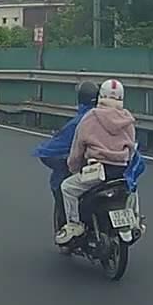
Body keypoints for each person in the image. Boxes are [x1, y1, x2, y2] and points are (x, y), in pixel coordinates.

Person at [56, 79, 137, 245]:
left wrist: (74, 167)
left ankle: (74, 225)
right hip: (120, 171)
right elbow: (132, 148)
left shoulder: (91, 117)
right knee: (131, 188)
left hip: (96, 172)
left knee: (67, 188)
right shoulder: (128, 120)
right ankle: (134, 221)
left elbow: (78, 147)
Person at [33, 81, 101, 228]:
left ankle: (72, 225)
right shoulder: (118, 119)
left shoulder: (80, 123)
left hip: (91, 170)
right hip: (117, 169)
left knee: (65, 187)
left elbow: (54, 150)